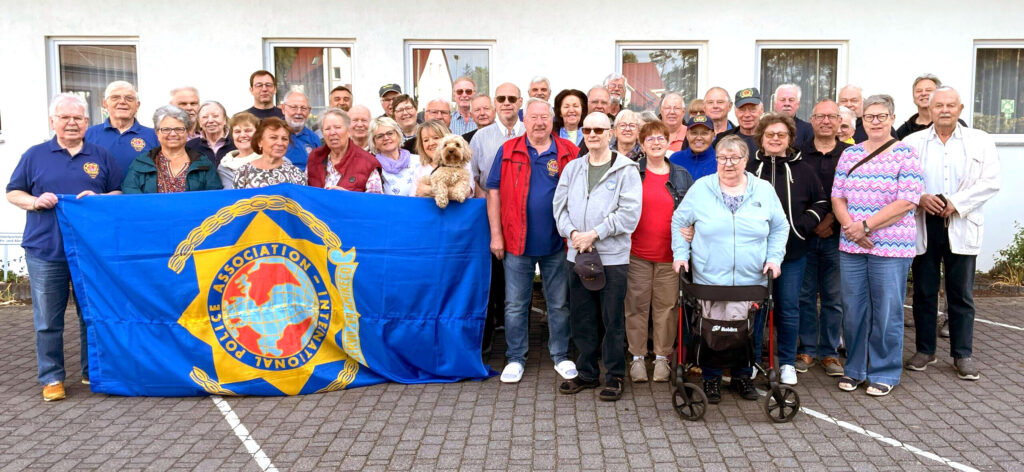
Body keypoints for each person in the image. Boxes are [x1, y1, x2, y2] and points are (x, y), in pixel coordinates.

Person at [6, 93, 123, 401]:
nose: (72, 123)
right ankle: (52, 377)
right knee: (47, 319)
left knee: (91, 314)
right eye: (65, 117)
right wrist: (34, 201)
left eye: (78, 118)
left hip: (90, 252)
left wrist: (100, 200)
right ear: (52, 121)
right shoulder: (34, 155)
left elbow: (118, 192)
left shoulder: (100, 155)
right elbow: (13, 192)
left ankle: (91, 371)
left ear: (87, 123)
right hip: (46, 250)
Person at [671, 135, 789, 404]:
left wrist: (774, 259)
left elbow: (780, 227)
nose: (728, 163)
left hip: (751, 277)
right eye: (722, 158)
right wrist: (681, 255)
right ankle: (711, 378)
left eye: (735, 158)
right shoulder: (702, 188)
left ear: (745, 160)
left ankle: (743, 375)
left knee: (745, 328)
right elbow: (680, 220)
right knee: (712, 328)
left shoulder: (763, 190)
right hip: (709, 276)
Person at [904, 86, 1000, 380]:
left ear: (960, 109)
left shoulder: (979, 141)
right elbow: (903, 180)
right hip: (925, 222)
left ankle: (962, 354)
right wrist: (920, 197)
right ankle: (925, 350)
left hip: (961, 220)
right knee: (924, 291)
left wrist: (956, 203)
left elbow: (990, 182)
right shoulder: (912, 142)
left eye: (950, 105)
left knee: (961, 294)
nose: (944, 110)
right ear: (929, 110)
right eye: (938, 106)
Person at [831, 94, 923, 397]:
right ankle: (855, 369)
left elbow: (907, 201)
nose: (875, 121)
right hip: (852, 245)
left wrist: (866, 226)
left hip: (891, 247)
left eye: (881, 116)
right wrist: (851, 228)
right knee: (853, 310)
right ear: (862, 121)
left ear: (892, 119)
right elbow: (838, 197)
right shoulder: (850, 153)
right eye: (869, 116)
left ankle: (884, 371)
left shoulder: (906, 154)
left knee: (886, 311)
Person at [485, 98, 579, 384]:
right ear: (524, 121)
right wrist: (496, 234)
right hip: (516, 241)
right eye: (534, 117)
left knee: (559, 304)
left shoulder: (569, 151)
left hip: (558, 243)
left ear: (553, 121)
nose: (539, 123)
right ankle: (515, 357)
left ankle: (561, 355)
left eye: (545, 118)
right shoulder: (508, 150)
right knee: (515, 304)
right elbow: (493, 192)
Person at [553, 111, 642, 401]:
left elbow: (629, 215)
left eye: (599, 130)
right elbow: (559, 207)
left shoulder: (627, 170)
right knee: (582, 317)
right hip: (577, 255)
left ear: (611, 133)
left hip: (612, 258)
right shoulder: (572, 168)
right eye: (588, 129)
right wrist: (574, 233)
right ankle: (587, 373)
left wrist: (595, 234)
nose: (592, 135)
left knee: (612, 320)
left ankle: (614, 375)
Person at [747, 112, 829, 386]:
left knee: (788, 308)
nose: (775, 139)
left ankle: (786, 363)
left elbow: (821, 202)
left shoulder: (804, 168)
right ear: (761, 137)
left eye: (781, 135)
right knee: (755, 308)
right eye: (770, 134)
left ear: (790, 138)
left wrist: (802, 226)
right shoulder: (748, 168)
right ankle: (754, 360)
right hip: (754, 254)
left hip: (792, 254)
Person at [625, 121, 693, 383]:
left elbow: (693, 211)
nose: (655, 142)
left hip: (670, 256)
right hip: (636, 254)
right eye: (650, 138)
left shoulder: (681, 174)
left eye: (660, 138)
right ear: (642, 144)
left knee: (666, 308)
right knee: (636, 307)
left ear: (668, 142)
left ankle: (663, 358)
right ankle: (638, 358)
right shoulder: (631, 173)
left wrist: (693, 230)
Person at [796, 100, 851, 377]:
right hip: (806, 235)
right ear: (812, 120)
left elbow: (855, 195)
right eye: (820, 116)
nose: (826, 121)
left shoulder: (851, 155)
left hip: (838, 236)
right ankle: (806, 349)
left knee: (833, 297)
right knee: (804, 296)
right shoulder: (798, 153)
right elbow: (795, 194)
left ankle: (829, 353)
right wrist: (813, 223)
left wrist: (830, 220)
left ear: (839, 120)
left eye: (832, 116)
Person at [121, 105, 222, 193]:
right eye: (166, 129)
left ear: (187, 132)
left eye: (179, 129)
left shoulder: (203, 164)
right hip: (151, 215)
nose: (173, 134)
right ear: (157, 133)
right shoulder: (141, 163)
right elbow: (131, 195)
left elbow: (214, 198)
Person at [84, 81, 158, 174]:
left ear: (137, 105)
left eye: (129, 98)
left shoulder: (155, 136)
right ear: (105, 103)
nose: (122, 101)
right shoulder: (87, 135)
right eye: (115, 97)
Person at [306, 108, 383, 193]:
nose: (332, 132)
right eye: (327, 129)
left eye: (337, 127)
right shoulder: (314, 158)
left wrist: (348, 198)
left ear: (349, 131)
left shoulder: (368, 163)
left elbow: (375, 202)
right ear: (322, 133)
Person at [470, 83, 524, 196]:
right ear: (495, 102)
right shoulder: (480, 137)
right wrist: (483, 198)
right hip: (489, 207)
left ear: (520, 102)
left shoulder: (530, 132)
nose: (506, 103)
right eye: (501, 99)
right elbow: (470, 174)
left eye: (512, 99)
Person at [233, 117, 307, 188]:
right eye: (273, 138)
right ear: (260, 142)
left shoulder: (296, 174)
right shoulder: (243, 172)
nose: (280, 143)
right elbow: (234, 200)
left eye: (284, 139)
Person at [896, 74, 965, 139]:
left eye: (928, 90)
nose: (923, 93)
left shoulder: (957, 124)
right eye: (919, 91)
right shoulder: (903, 131)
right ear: (913, 97)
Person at [371, 116, 420, 196]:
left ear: (398, 135)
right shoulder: (374, 168)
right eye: (380, 136)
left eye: (390, 133)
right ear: (374, 143)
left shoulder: (419, 160)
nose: (386, 138)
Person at [714, 87, 762, 159]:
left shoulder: (771, 139)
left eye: (752, 109)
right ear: (735, 112)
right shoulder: (722, 139)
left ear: (761, 110)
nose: (747, 115)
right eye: (742, 110)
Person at [218, 112, 262, 189]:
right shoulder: (224, 166)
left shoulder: (274, 159)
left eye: (248, 130)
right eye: (237, 132)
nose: (242, 135)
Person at [185, 101, 234, 166]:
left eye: (215, 116)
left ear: (224, 120)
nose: (210, 120)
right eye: (205, 117)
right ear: (199, 122)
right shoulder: (190, 146)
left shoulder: (237, 143)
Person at [669, 115, 716, 180]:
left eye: (704, 133)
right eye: (694, 133)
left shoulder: (720, 161)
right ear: (687, 135)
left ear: (713, 135)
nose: (699, 138)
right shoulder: (675, 159)